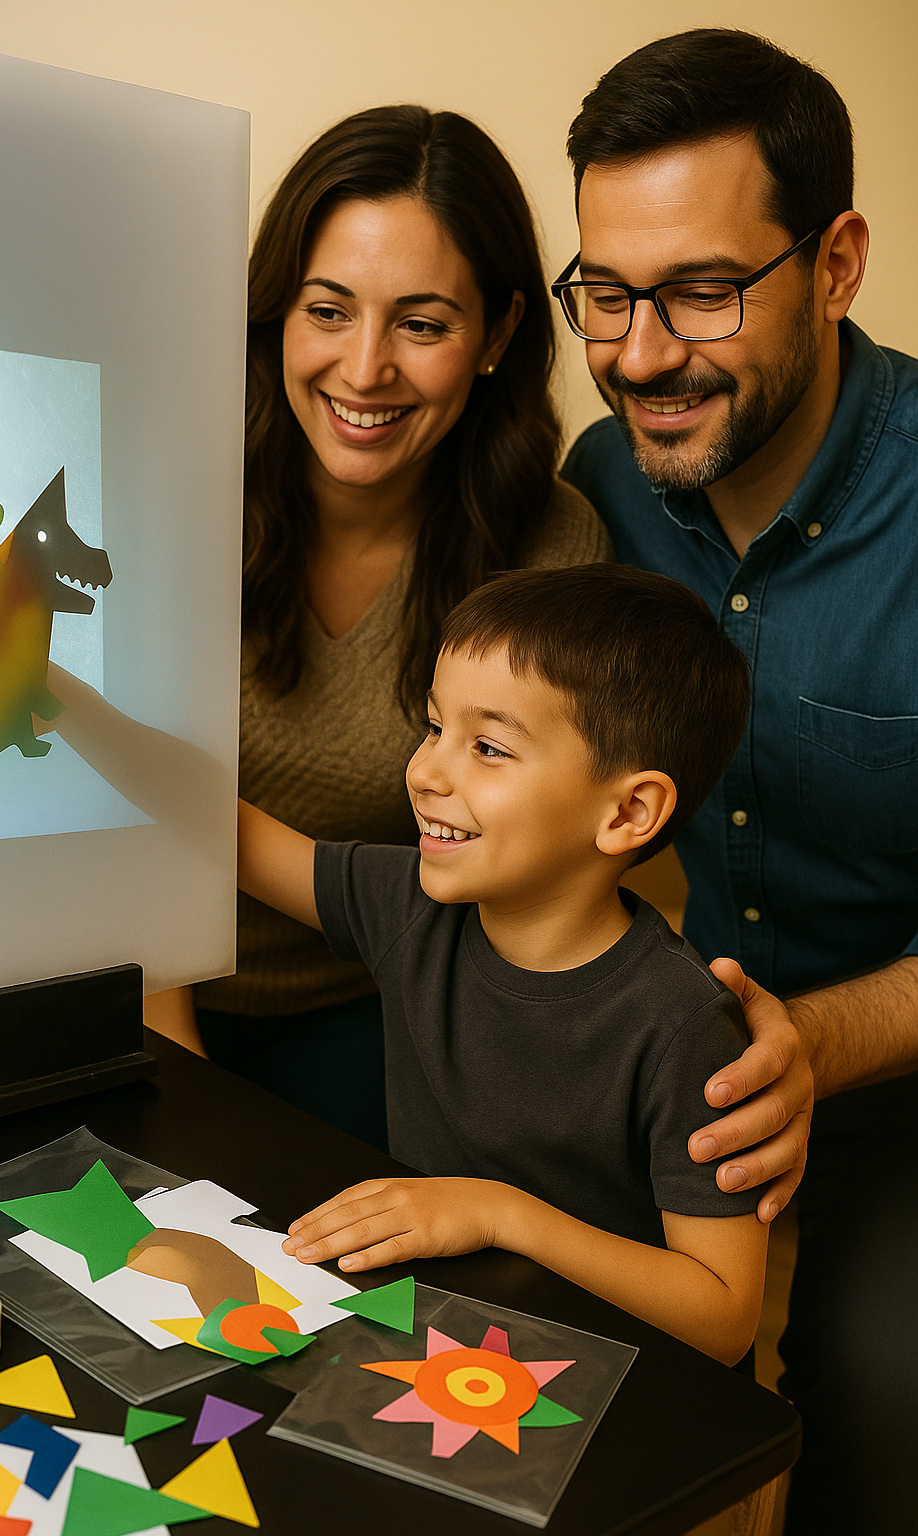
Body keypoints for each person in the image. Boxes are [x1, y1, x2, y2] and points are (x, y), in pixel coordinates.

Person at [557, 29, 918, 1533]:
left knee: (880, 1399)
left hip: (894, 1079)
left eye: (704, 291)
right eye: (606, 292)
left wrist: (820, 1048)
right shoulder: (595, 492)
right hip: (687, 1071)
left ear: (834, 263)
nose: (641, 352)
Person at [184, 106, 606, 1148]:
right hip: (124, 981)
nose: (364, 369)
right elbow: (98, 811)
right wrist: (182, 1102)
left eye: (420, 324)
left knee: (381, 1298)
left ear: (499, 335)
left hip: (377, 1007)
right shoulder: (160, 482)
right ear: (274, 310)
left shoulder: (549, 549)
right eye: (326, 310)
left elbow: (530, 886)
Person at [237, 563, 768, 1367]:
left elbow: (724, 1319)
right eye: (432, 727)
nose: (424, 771)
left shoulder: (688, 1027)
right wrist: (46, 693)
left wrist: (500, 1215)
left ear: (628, 811)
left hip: (604, 1392)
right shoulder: (411, 905)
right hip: (436, 1349)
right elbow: (223, 832)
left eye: (487, 747)